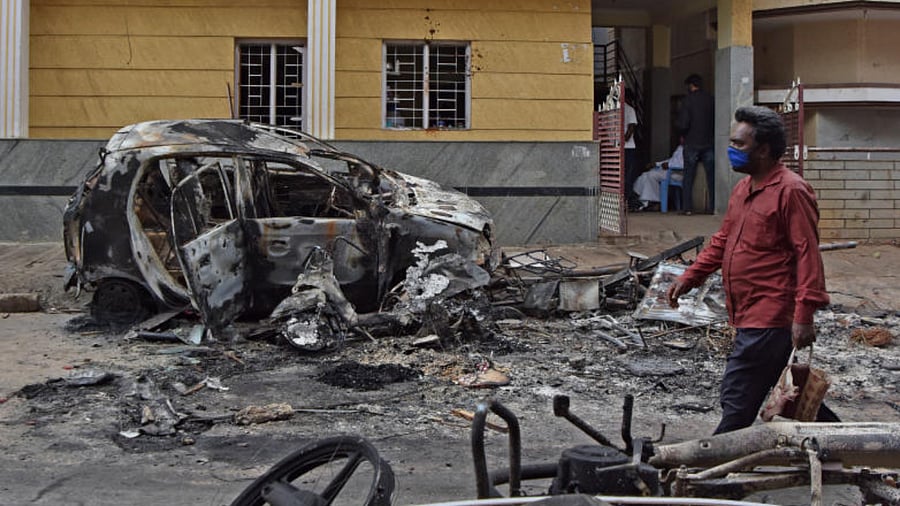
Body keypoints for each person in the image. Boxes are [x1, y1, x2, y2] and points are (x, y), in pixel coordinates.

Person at [665, 105, 837, 434]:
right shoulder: (743, 189)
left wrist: (804, 314)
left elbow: (807, 254)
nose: (731, 150)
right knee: (783, 385)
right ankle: (845, 447)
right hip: (745, 309)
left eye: (739, 144)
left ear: (764, 149)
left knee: (738, 394)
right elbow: (724, 239)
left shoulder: (791, 191)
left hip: (772, 310)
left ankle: (714, 467)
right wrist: (690, 276)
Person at [676, 74, 715, 215]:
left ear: (690, 85)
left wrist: (681, 133)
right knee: (711, 177)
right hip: (709, 142)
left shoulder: (688, 100)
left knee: (688, 176)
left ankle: (687, 208)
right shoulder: (711, 99)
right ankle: (713, 207)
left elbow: (683, 123)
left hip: (692, 142)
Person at [632, 143, 683, 211]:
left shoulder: (689, 149)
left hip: (678, 173)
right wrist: (656, 164)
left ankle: (653, 202)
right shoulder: (680, 147)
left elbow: (683, 164)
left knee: (651, 175)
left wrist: (669, 165)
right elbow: (671, 160)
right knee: (645, 175)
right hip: (669, 171)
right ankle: (642, 200)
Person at [622, 89, 639, 210]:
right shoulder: (630, 109)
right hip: (628, 147)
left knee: (620, 175)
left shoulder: (614, 109)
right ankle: (627, 201)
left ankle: (624, 200)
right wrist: (625, 138)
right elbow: (632, 127)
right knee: (628, 175)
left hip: (617, 146)